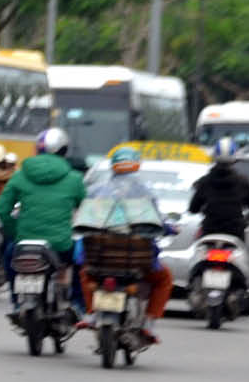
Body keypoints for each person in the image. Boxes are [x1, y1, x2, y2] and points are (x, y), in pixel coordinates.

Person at [71, 147, 174, 344]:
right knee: (164, 279)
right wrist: (169, 228)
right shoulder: (146, 193)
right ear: (136, 165)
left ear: (113, 166)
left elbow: (84, 220)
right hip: (136, 264)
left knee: (85, 273)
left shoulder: (95, 191)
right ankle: (148, 324)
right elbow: (158, 222)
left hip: (100, 261)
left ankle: (91, 314)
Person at [0, 128, 87, 315]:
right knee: (81, 261)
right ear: (64, 150)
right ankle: (77, 304)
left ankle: (16, 301)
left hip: (24, 243)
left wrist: (16, 232)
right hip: (60, 245)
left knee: (9, 256)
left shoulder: (20, 175)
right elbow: (87, 210)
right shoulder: (74, 179)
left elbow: (2, 210)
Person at [189, 140, 249, 241]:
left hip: (210, 231)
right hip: (235, 233)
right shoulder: (243, 182)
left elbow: (193, 208)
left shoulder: (205, 181)